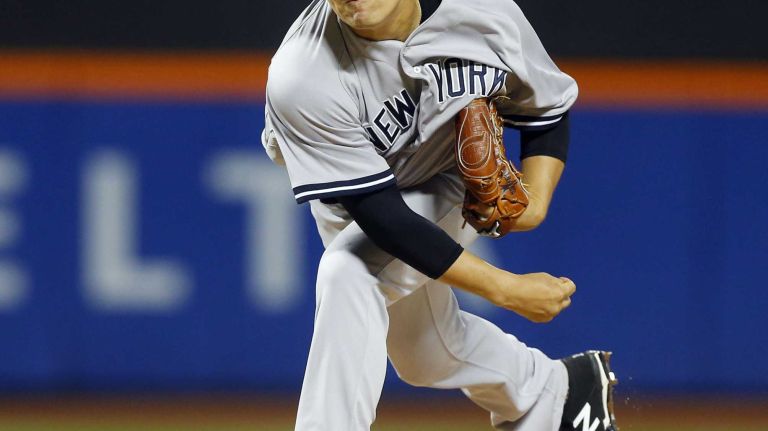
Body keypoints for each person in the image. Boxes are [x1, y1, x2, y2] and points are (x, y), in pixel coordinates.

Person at [261, 0, 618, 430]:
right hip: (357, 195)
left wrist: (537, 202)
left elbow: (544, 110)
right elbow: (384, 218)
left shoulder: (482, 9)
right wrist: (506, 289)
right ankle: (555, 390)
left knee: (350, 272)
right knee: (423, 352)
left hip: (448, 176)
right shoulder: (301, 72)